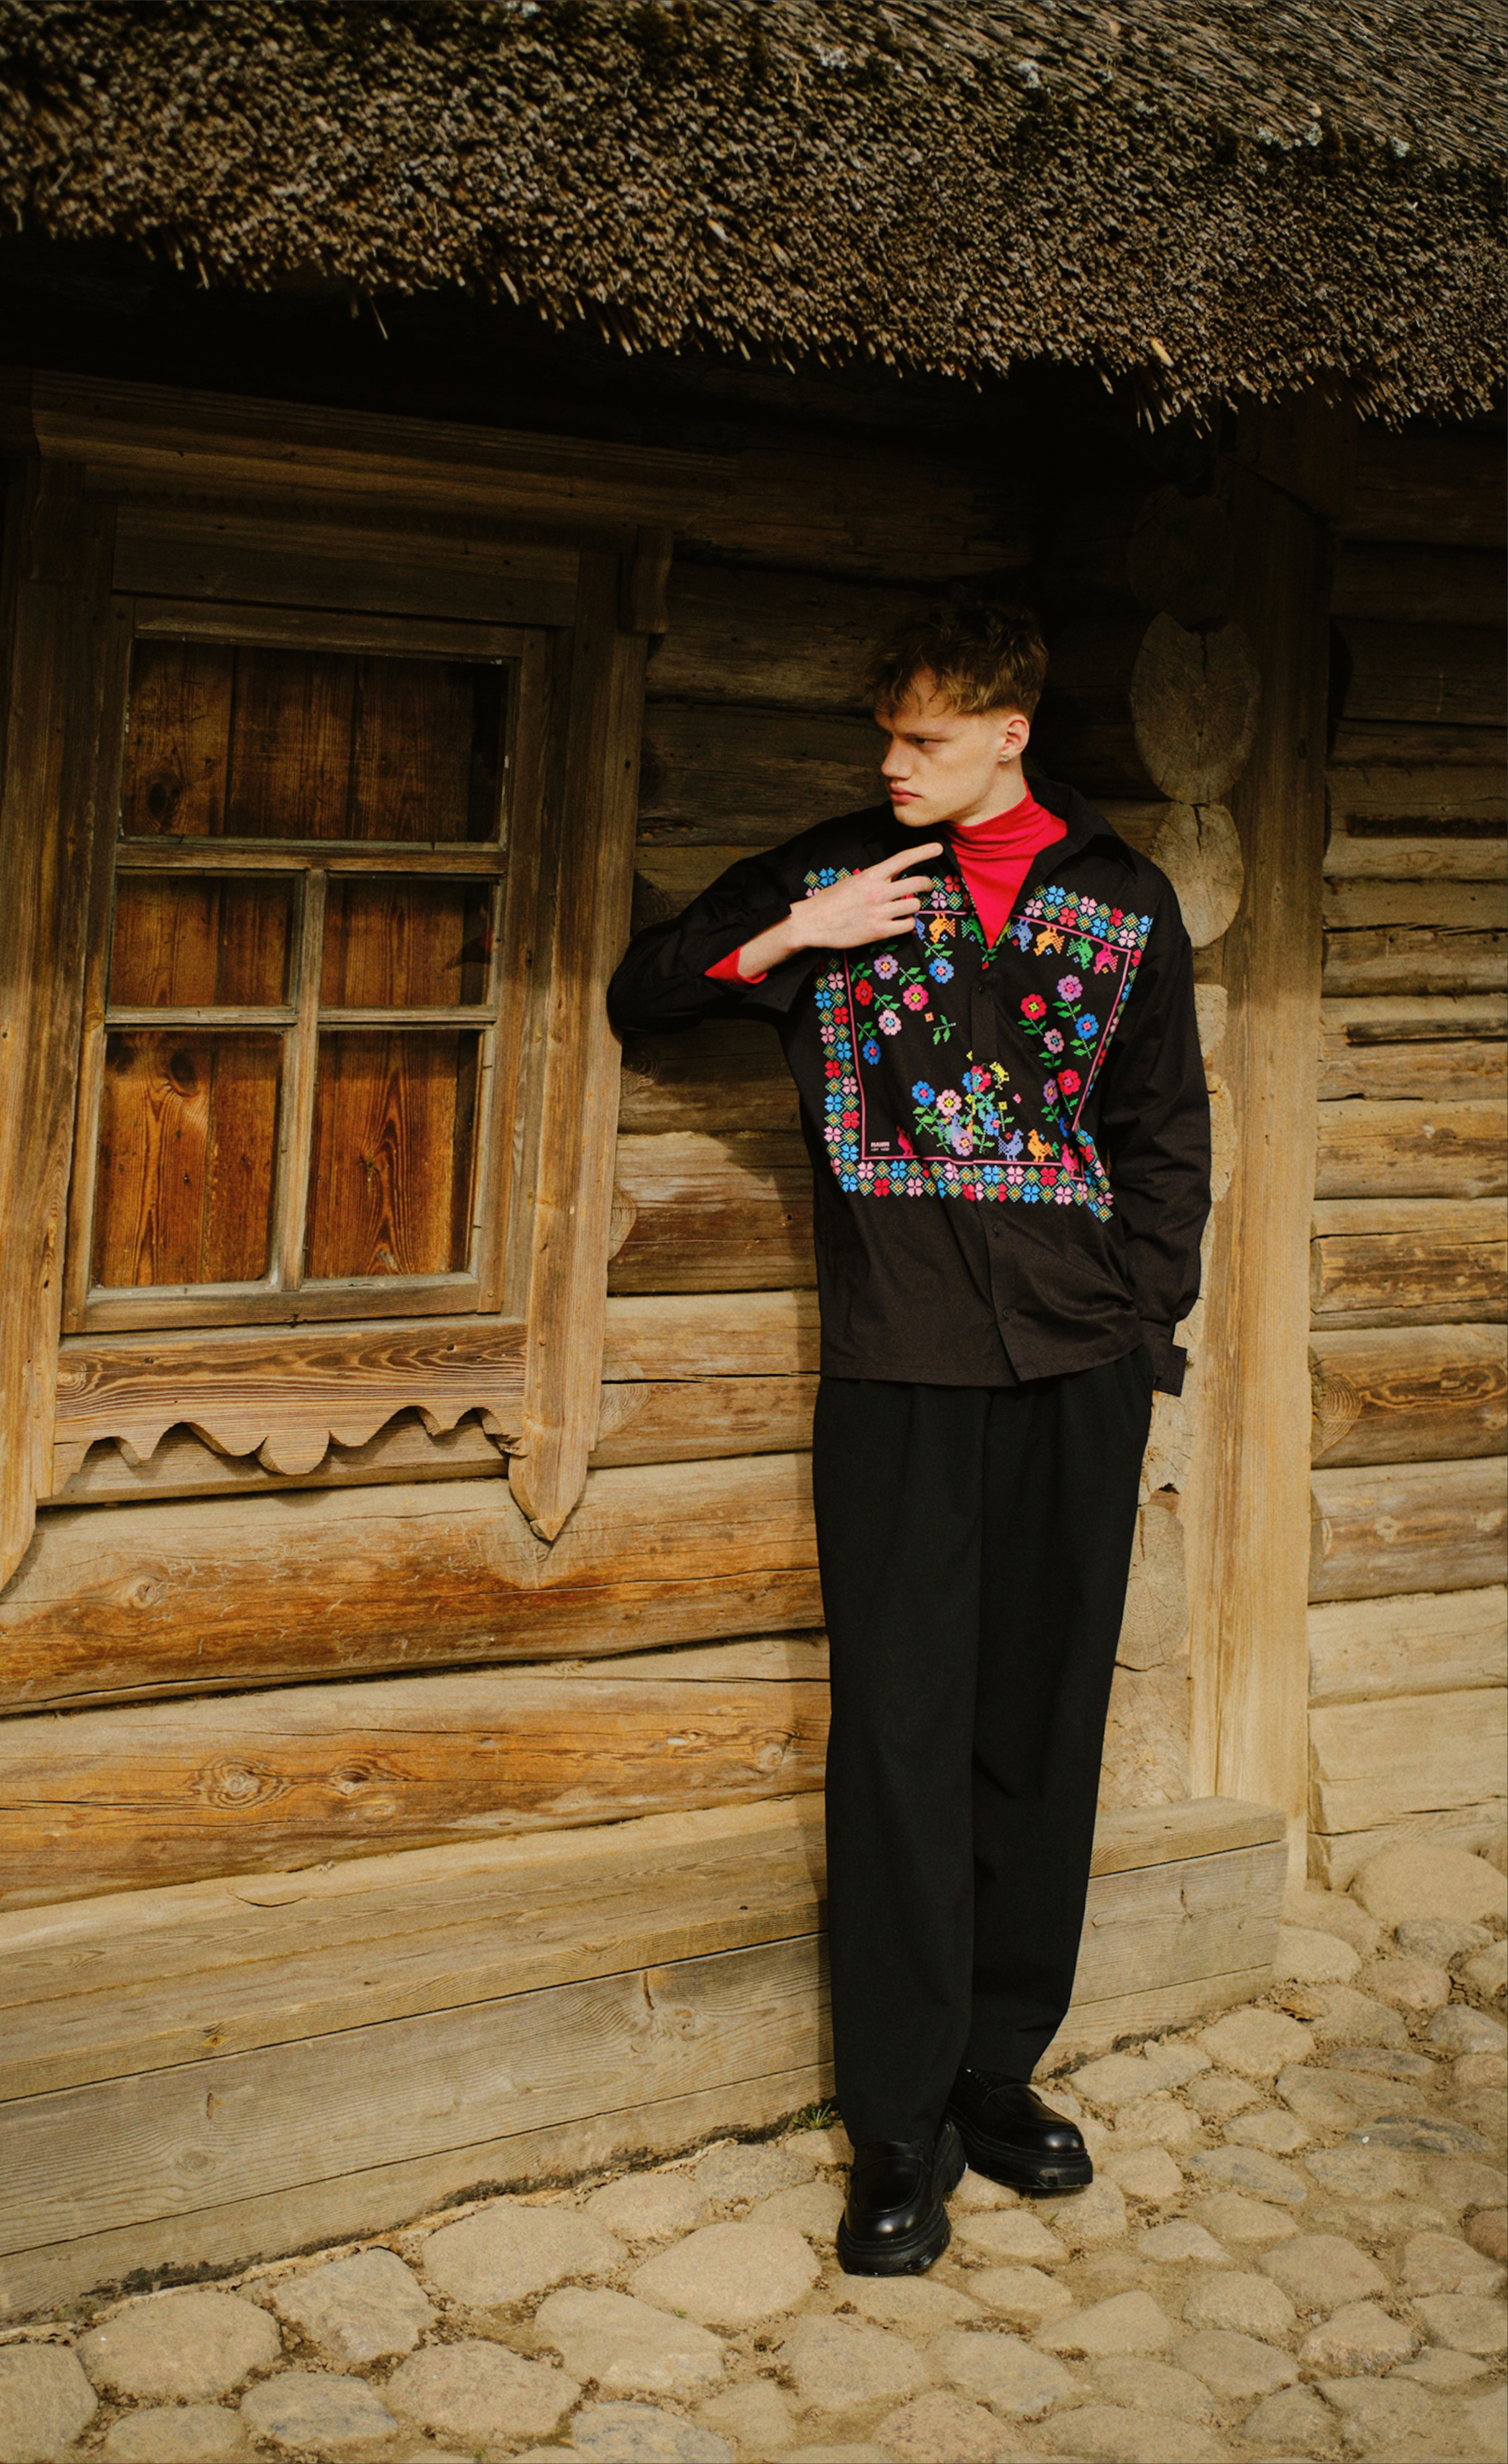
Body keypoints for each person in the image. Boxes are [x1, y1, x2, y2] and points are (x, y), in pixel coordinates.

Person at [607, 605, 1211, 2276]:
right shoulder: (838, 876)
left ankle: (995, 2071)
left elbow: (1165, 1130)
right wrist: (796, 935)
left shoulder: (1124, 904)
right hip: (901, 1371)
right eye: (886, 736)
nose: (892, 764)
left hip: (1080, 1368)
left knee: (1044, 1722)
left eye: (924, 739)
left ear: (1011, 733)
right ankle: (894, 2126)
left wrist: (1142, 1326)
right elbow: (644, 989)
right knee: (898, 1736)